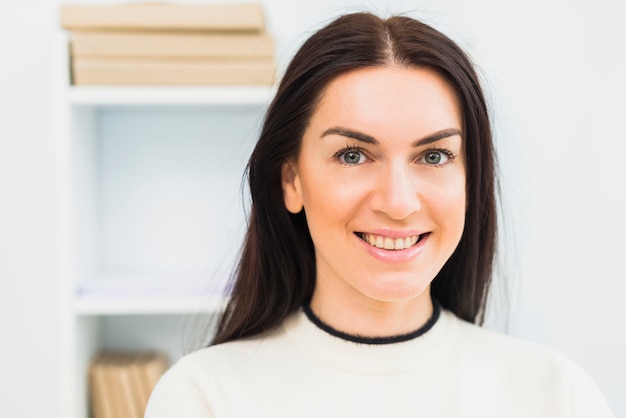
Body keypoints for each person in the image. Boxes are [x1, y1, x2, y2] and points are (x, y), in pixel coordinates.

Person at [145, 12, 615, 417]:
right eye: (353, 155)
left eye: (433, 156)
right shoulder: (202, 399)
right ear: (292, 181)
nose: (398, 201)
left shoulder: (557, 396)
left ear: (471, 181)